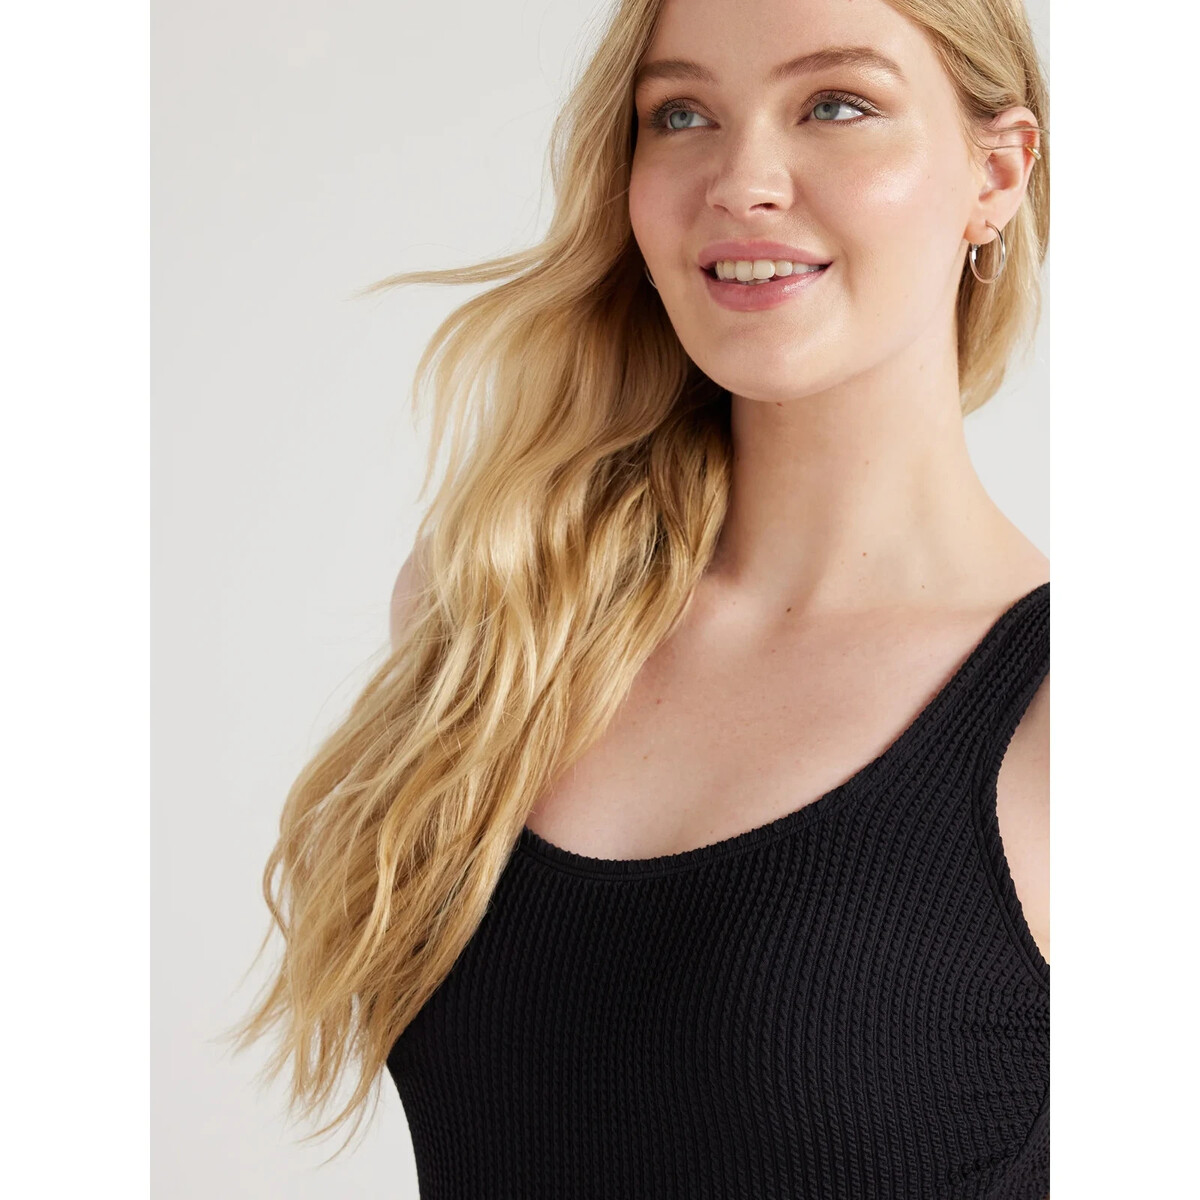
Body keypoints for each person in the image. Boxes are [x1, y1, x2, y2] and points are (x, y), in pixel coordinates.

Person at [227, 0, 1050, 1195]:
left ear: (997, 171)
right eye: (681, 115)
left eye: (836, 105)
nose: (742, 179)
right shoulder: (500, 621)